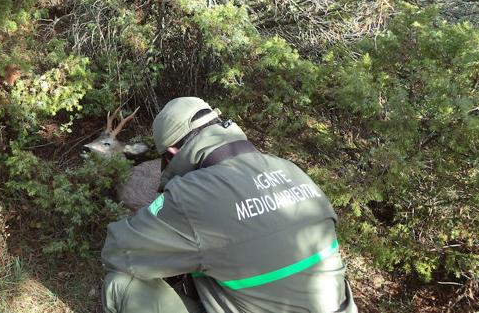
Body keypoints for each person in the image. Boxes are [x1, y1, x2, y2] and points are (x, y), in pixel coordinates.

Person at [101, 97, 358, 313]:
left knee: (121, 285)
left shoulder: (194, 193)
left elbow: (120, 251)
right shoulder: (291, 170)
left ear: (172, 153)